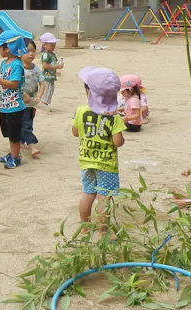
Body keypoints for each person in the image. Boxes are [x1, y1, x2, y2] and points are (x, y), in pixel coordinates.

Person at [71, 67, 127, 238]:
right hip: (106, 165)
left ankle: (85, 227)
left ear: (88, 91)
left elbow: (75, 132)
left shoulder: (81, 111)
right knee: (104, 198)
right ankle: (103, 231)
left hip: (86, 161)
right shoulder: (114, 116)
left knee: (88, 194)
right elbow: (117, 142)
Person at [0, 31, 28, 169]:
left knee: (14, 134)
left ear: (7, 48)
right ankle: (12, 153)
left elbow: (14, 83)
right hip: (4, 105)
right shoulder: (4, 63)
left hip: (14, 105)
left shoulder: (16, 64)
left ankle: (16, 157)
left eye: (0, 47)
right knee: (8, 132)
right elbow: (4, 81)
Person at [20, 38, 44, 157]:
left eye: (33, 51)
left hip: (32, 103)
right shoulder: (18, 68)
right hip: (20, 103)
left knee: (28, 122)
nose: (31, 54)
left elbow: (42, 83)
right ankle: (31, 146)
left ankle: (21, 141)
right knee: (26, 123)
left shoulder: (36, 69)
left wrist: (39, 95)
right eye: (27, 51)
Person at [39, 33, 63, 107]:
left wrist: (58, 66)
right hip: (46, 77)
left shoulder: (52, 54)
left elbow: (53, 63)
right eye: (51, 45)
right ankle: (43, 105)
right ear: (45, 45)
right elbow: (45, 65)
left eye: (54, 45)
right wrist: (56, 66)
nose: (53, 47)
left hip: (51, 76)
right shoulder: (45, 54)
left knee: (50, 91)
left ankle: (45, 105)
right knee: (47, 91)